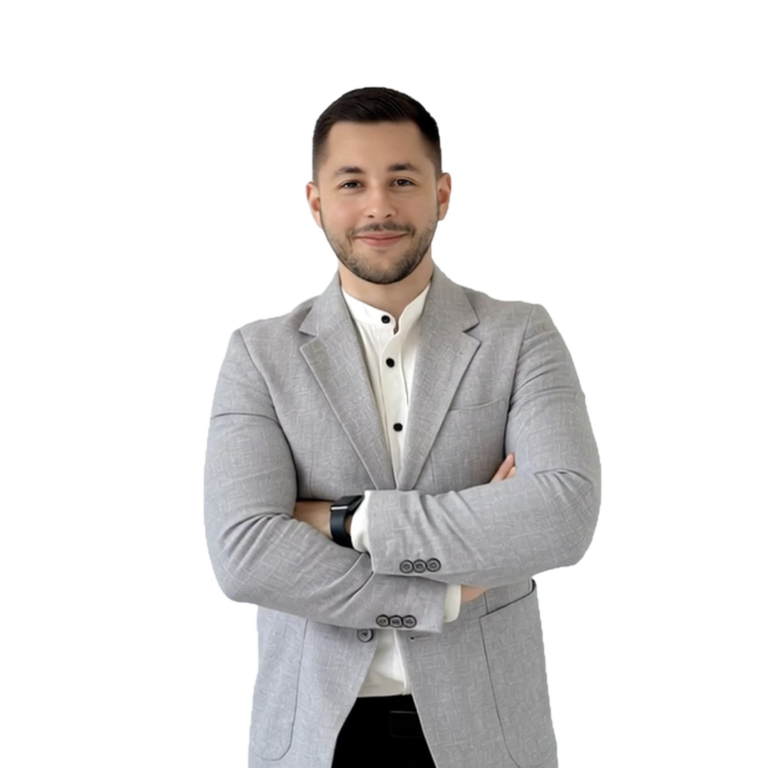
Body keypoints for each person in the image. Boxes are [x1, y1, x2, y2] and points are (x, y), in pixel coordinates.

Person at [204, 86, 601, 768]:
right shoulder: (259, 355)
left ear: (441, 194)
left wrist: (346, 520)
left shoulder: (520, 336)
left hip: (488, 733)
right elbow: (244, 554)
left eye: (402, 180)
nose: (379, 205)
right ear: (315, 202)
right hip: (316, 737)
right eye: (351, 183)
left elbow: (562, 515)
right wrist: (442, 595)